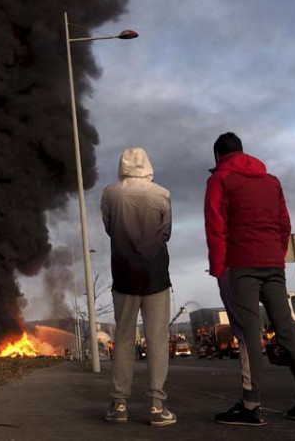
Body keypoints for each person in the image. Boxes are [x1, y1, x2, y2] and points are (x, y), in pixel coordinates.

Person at [204, 132, 295, 426]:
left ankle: (251, 405)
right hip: (273, 264)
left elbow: (215, 227)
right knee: (286, 329)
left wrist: (219, 269)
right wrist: (277, 254)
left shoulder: (220, 179)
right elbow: (285, 223)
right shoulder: (271, 181)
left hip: (241, 264)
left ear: (218, 156)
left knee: (248, 334)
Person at [100, 147, 176, 427]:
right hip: (156, 276)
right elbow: (166, 231)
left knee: (123, 340)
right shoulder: (162, 194)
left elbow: (109, 227)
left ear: (122, 167)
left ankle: (119, 404)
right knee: (157, 340)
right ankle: (157, 407)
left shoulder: (110, 193)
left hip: (123, 276)